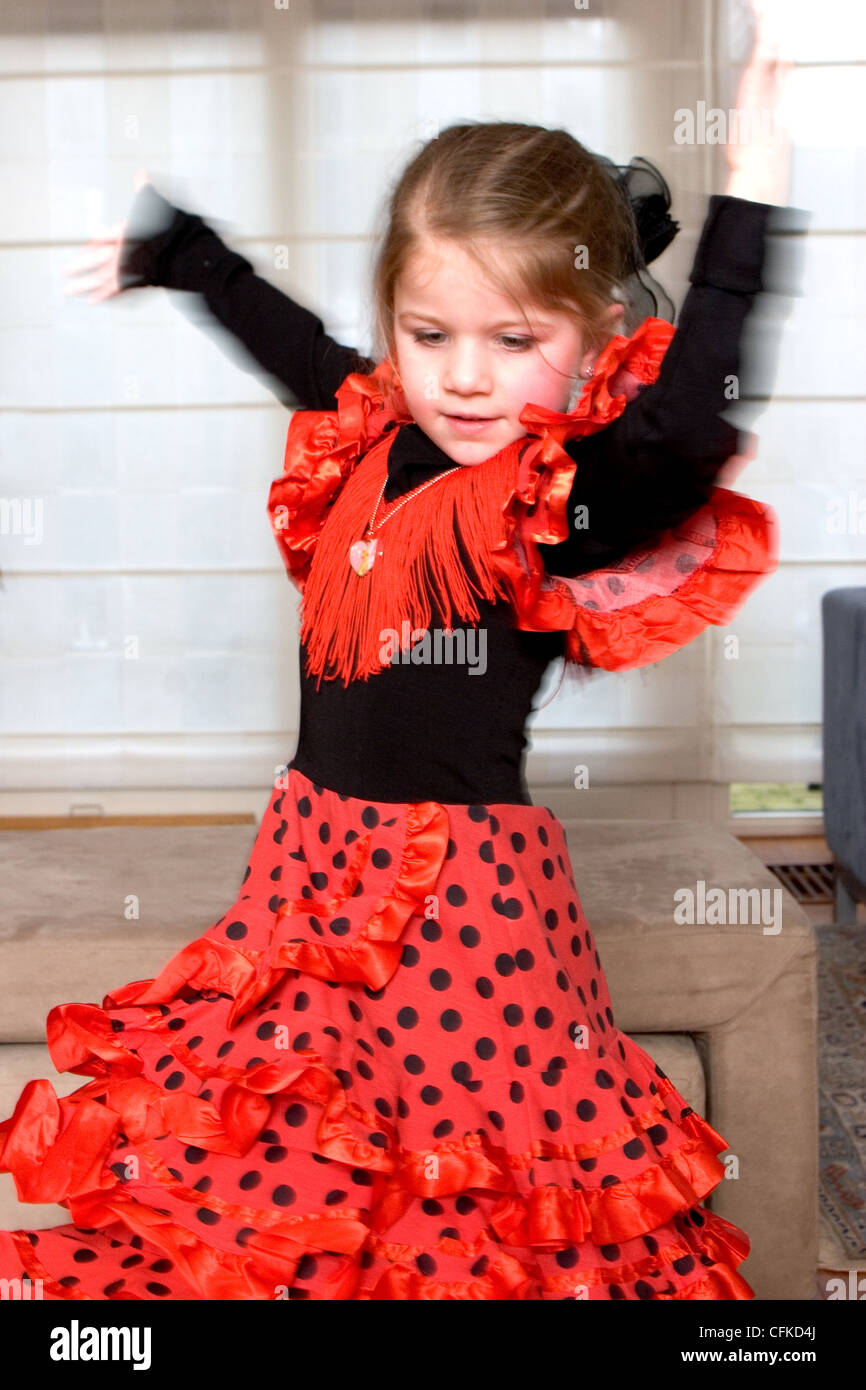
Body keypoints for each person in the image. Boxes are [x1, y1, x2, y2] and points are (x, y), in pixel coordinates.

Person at [0, 29, 799, 1300]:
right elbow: (290, 344)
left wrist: (750, 195)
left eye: (511, 340)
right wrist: (180, 251)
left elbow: (693, 416)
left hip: (463, 907)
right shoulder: (375, 429)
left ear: (591, 335)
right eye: (428, 334)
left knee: (455, 1191)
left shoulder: (562, 497)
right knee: (300, 1163)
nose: (464, 377)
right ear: (396, 322)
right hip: (309, 864)